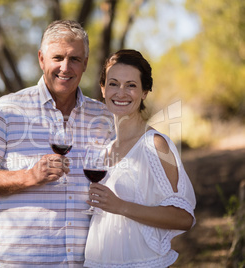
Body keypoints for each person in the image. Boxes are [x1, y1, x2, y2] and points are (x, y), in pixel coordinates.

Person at [0, 20, 114, 267]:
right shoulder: (6, 110)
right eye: (58, 57)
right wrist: (28, 176)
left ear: (85, 63)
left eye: (75, 59)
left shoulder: (104, 117)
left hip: (89, 262)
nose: (65, 67)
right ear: (41, 59)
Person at [84, 49, 196, 267]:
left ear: (144, 92)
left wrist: (121, 206)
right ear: (103, 88)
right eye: (113, 83)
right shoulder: (103, 151)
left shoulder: (156, 145)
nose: (121, 92)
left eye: (131, 85)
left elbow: (184, 218)